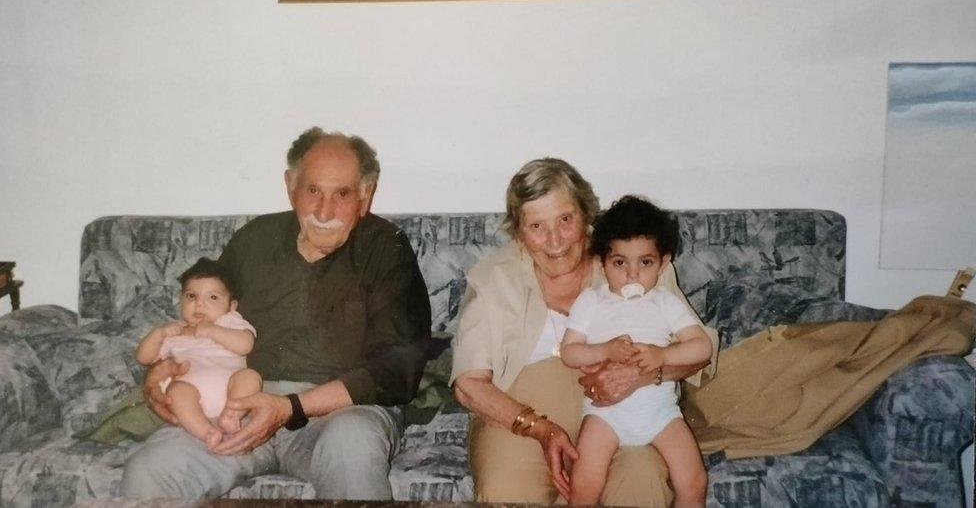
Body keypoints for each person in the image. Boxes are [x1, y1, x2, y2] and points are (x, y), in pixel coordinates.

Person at [122, 128, 432, 500]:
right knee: (150, 470)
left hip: (339, 415)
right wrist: (158, 373)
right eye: (313, 191)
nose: (324, 211)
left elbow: (397, 370)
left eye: (343, 194)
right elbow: (202, 312)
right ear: (290, 186)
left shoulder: (386, 249)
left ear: (365, 196)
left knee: (352, 446)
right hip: (236, 407)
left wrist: (289, 407)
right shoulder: (254, 239)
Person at [450, 158, 719, 506]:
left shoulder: (630, 258)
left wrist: (642, 376)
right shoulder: (494, 279)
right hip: (523, 422)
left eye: (565, 219)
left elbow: (699, 350)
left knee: (642, 479)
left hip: (628, 411)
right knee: (507, 487)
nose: (555, 240)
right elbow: (468, 384)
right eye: (537, 226)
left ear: (586, 214)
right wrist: (540, 429)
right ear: (518, 233)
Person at [560, 196, 710, 507]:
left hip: (661, 414)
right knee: (585, 484)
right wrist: (603, 350)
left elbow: (702, 346)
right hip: (605, 415)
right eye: (619, 263)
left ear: (663, 263)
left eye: (645, 262)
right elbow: (570, 353)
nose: (632, 274)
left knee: (694, 482)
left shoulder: (665, 302)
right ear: (603, 264)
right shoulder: (592, 301)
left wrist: (663, 355)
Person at [134, 257, 261, 450]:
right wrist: (159, 334)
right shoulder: (174, 331)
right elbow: (143, 358)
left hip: (231, 391)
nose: (199, 304)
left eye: (213, 297)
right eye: (191, 296)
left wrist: (211, 331)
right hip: (192, 395)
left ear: (231, 306)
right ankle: (207, 432)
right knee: (176, 391)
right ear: (181, 300)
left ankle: (231, 416)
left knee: (250, 378)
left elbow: (245, 345)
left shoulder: (230, 322)